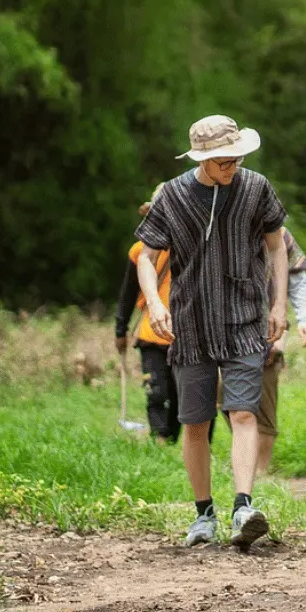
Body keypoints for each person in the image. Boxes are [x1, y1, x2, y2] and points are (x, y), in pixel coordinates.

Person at [136, 114, 289, 550]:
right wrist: (156, 303)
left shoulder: (257, 188)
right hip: (192, 323)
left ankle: (244, 506)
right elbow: (147, 256)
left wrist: (278, 304)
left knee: (243, 413)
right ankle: (204, 514)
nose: (233, 165)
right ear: (202, 159)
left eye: (237, 157)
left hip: (244, 320)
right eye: (223, 160)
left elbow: (277, 246)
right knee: (196, 423)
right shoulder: (172, 195)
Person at [227, 224, 306, 477]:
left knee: (263, 406)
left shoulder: (281, 234)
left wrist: (304, 320)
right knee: (227, 398)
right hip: (226, 332)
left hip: (269, 334)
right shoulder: (224, 228)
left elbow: (297, 279)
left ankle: (259, 473)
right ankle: (245, 457)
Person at [115, 187, 178, 442]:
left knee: (179, 394)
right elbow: (128, 293)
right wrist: (120, 330)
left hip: (183, 334)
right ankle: (160, 439)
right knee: (155, 390)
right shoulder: (139, 250)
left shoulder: (191, 247)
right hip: (150, 332)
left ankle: (175, 439)